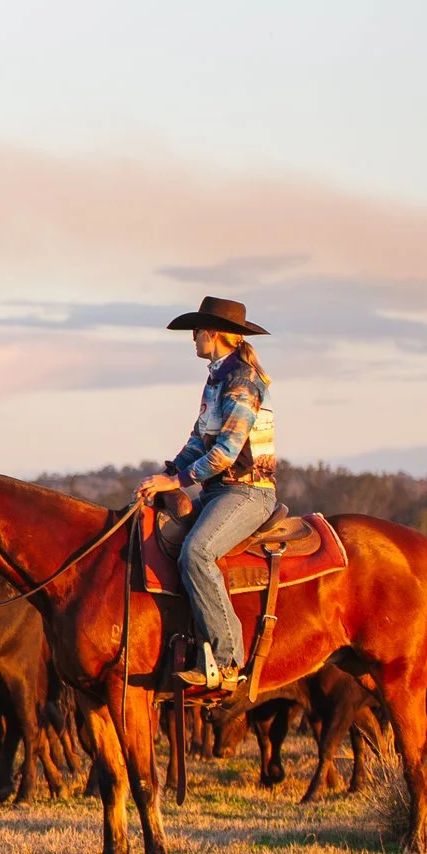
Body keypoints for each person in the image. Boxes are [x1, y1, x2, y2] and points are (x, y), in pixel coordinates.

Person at [134, 296, 277, 694]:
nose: (192, 339)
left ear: (212, 333)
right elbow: (199, 440)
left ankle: (229, 661)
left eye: (196, 331)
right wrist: (163, 475)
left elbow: (227, 451)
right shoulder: (217, 378)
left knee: (197, 552)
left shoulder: (242, 381)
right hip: (218, 491)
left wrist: (178, 482)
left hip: (247, 492)